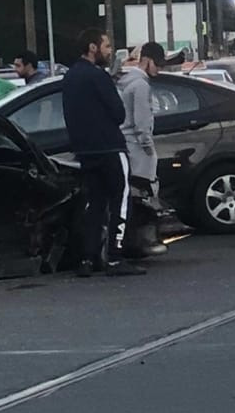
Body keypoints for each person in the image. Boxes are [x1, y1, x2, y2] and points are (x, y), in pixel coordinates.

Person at [62, 27, 141, 277]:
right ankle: (116, 257)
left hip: (85, 151)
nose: (109, 52)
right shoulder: (98, 76)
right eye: (106, 47)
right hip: (110, 147)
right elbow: (118, 113)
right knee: (121, 199)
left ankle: (87, 258)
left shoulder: (70, 77)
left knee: (94, 203)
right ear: (93, 47)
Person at [116, 41, 167, 259]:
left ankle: (127, 241)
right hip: (137, 149)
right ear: (147, 60)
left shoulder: (124, 82)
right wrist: (148, 148)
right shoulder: (142, 86)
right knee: (144, 196)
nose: (159, 69)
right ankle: (141, 242)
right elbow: (142, 122)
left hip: (124, 144)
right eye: (157, 64)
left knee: (129, 196)